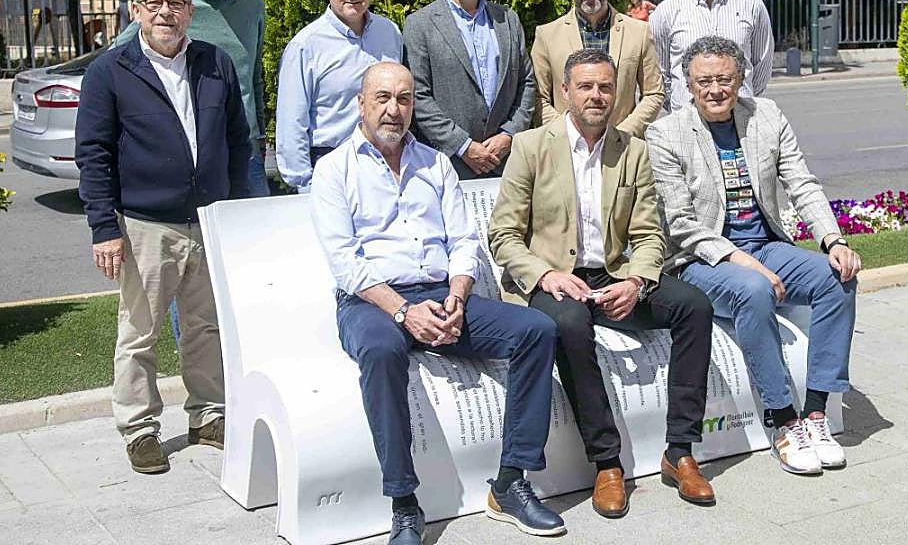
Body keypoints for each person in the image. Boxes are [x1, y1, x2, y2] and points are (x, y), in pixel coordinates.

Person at [310, 62, 565, 544]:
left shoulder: (435, 163)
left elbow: (464, 240)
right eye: (382, 98)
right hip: (370, 303)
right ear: (361, 104)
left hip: (440, 295)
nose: (394, 109)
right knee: (383, 350)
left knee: (537, 331)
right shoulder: (334, 170)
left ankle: (511, 482)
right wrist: (404, 313)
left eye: (404, 99)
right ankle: (404, 502)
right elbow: (346, 263)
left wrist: (456, 296)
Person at [489, 49, 715, 518]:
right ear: (566, 92)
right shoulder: (532, 147)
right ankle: (607, 463)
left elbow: (650, 235)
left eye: (606, 87)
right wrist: (547, 275)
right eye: (586, 87)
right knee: (570, 324)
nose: (597, 95)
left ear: (617, 94)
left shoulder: (632, 150)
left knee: (695, 306)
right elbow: (503, 236)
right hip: (551, 280)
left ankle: (680, 450)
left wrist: (635, 280)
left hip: (612, 277)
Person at [645, 35, 860, 476]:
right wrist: (740, 261)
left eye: (724, 79)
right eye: (703, 81)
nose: (714, 89)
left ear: (741, 79)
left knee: (837, 277)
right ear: (687, 84)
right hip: (702, 261)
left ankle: (816, 411)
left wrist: (833, 240)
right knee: (754, 289)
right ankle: (783, 420)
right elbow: (680, 223)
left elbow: (801, 181)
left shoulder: (767, 116)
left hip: (766, 245)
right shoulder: (665, 133)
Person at [75, 0, 251, 475]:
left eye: (174, 3)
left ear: (189, 11)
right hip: (145, 226)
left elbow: (238, 143)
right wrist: (104, 229)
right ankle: (139, 430)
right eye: (153, 3)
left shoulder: (214, 63)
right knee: (139, 332)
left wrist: (236, 210)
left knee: (206, 327)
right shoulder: (110, 71)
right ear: (136, 12)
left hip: (210, 221)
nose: (164, 12)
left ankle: (207, 415)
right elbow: (94, 155)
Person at [111, 0, 270, 195]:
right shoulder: (173, 6)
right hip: (194, 156)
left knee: (252, 236)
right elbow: (116, 61)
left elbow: (253, 76)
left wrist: (259, 137)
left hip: (245, 154)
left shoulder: (252, 6)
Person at [404, 0, 536, 179]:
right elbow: (418, 96)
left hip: (506, 163)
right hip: (448, 166)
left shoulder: (507, 20)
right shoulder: (419, 25)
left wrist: (509, 135)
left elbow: (527, 83)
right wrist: (463, 146)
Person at [275, 0, 405, 191]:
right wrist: (307, 187)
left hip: (386, 165)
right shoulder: (305, 46)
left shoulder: (389, 33)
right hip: (331, 169)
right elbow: (291, 126)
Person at [530, 0, 663, 137]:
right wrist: (567, 135)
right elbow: (537, 98)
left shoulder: (638, 33)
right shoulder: (547, 36)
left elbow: (653, 93)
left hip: (622, 150)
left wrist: (622, 135)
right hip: (566, 151)